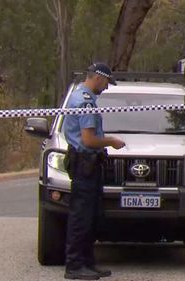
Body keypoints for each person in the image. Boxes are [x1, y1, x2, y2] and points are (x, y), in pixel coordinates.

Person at [62, 62, 125, 280]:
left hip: (88, 163)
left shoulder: (82, 97)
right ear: (98, 78)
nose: (107, 87)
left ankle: (87, 262)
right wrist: (111, 141)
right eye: (107, 82)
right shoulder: (85, 102)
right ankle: (74, 266)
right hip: (84, 164)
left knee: (91, 216)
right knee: (81, 216)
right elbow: (88, 139)